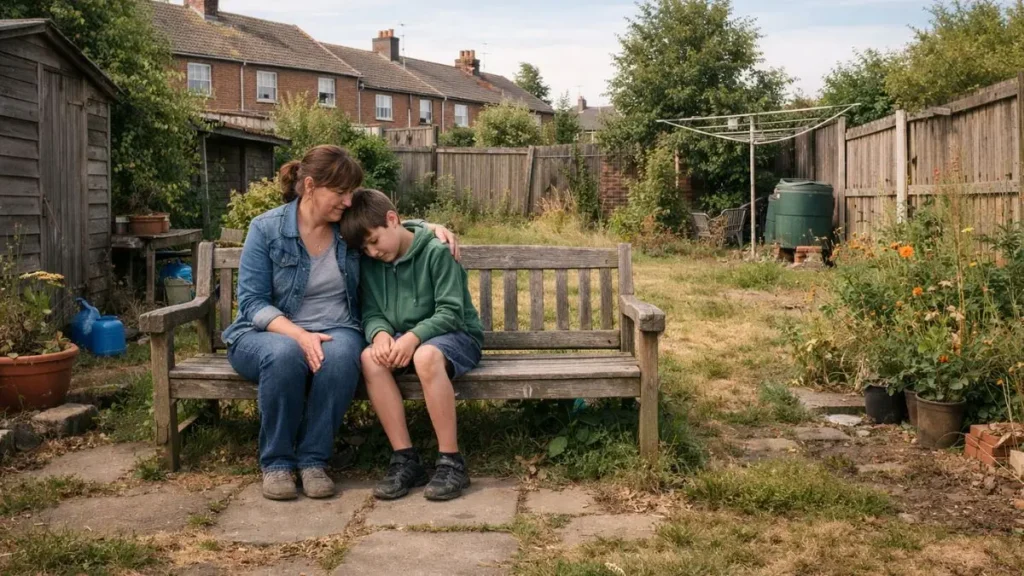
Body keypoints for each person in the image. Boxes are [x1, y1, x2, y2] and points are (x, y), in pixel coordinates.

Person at [222, 145, 458, 501]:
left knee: (344, 353)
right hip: (267, 333)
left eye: (351, 193)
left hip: (337, 327)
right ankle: (278, 463)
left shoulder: (345, 232)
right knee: (286, 355)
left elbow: (385, 224)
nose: (348, 201)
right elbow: (253, 302)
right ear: (311, 186)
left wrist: (428, 226)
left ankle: (314, 461)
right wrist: (300, 335)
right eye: (341, 192)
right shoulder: (266, 228)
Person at [340, 189, 483, 502]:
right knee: (369, 358)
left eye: (374, 241)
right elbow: (372, 311)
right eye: (364, 248)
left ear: (392, 220)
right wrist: (379, 335)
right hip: (406, 339)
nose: (372, 252)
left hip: (456, 336)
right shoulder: (372, 264)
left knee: (426, 356)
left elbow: (451, 312)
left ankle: (451, 461)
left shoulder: (437, 251)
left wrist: (413, 337)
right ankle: (405, 458)